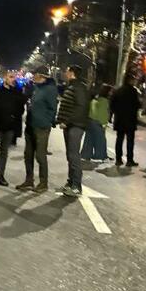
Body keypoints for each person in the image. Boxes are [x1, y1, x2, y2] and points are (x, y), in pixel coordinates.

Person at [16, 67, 58, 192]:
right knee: (28, 155)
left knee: (40, 156)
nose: (32, 76)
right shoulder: (36, 88)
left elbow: (53, 108)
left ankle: (43, 183)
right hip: (30, 125)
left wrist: (46, 122)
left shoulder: (50, 89)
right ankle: (29, 180)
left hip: (41, 127)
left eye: (34, 74)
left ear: (41, 75)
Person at [56, 66, 91, 197]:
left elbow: (81, 108)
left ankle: (76, 186)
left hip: (75, 126)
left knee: (74, 155)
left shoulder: (79, 87)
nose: (65, 72)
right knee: (70, 155)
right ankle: (71, 183)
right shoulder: (72, 86)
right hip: (71, 126)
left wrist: (67, 121)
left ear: (72, 73)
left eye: (67, 71)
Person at [0, 70, 26, 187]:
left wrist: (14, 115)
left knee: (4, 152)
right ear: (5, 78)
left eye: (13, 77)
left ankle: (0, 175)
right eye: (10, 77)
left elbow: (21, 109)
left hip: (9, 126)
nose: (12, 79)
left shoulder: (17, 93)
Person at [110, 76, 141, 167]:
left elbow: (112, 105)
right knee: (130, 141)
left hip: (120, 119)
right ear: (130, 81)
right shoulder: (133, 91)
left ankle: (118, 159)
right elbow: (137, 104)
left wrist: (117, 112)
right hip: (130, 119)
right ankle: (129, 160)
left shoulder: (118, 91)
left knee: (119, 139)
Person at [82, 84, 112, 163]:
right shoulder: (104, 101)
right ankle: (101, 156)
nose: (111, 93)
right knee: (101, 140)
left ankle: (86, 155)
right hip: (97, 122)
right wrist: (104, 124)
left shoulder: (95, 99)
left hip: (90, 121)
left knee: (89, 139)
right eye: (111, 91)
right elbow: (103, 114)